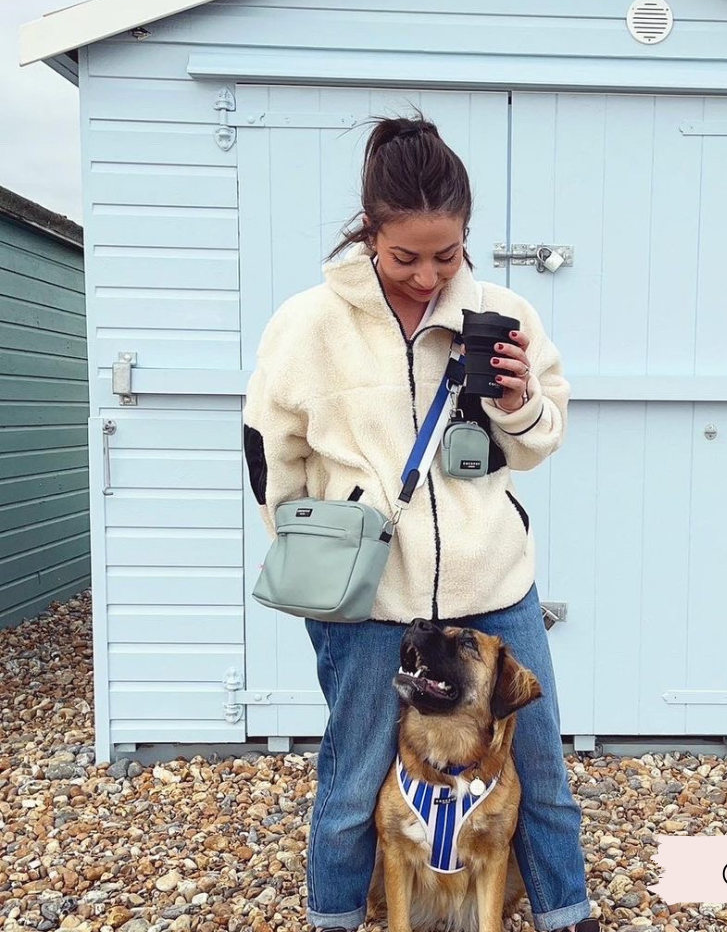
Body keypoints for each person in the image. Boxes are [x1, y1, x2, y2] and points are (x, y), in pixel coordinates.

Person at [242, 114, 595, 932]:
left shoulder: (502, 313)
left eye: (448, 254)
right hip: (370, 600)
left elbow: (542, 440)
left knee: (538, 771)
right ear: (370, 233)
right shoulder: (308, 325)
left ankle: (568, 913)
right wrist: (317, 544)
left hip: (493, 585)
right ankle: (334, 916)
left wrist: (519, 403)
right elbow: (270, 454)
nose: (427, 275)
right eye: (405, 257)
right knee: (355, 772)